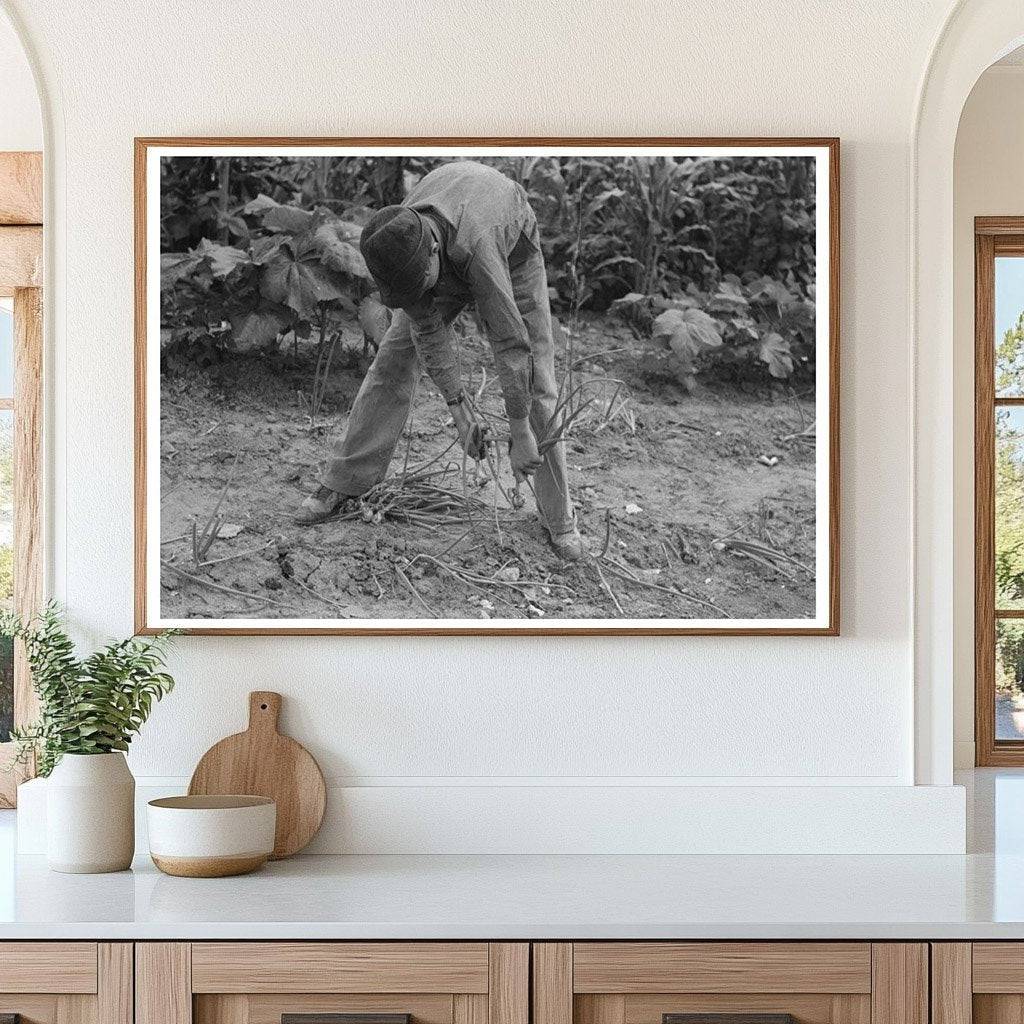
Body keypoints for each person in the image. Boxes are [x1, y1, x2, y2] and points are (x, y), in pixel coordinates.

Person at [295, 160, 583, 561]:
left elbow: (509, 341)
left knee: (537, 380)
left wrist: (519, 431)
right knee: (393, 358)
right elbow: (426, 326)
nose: (417, 302)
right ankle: (344, 479)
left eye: (419, 289)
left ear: (432, 252)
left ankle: (559, 519)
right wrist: (459, 410)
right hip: (442, 244)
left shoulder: (480, 245)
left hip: (507, 244)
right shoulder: (397, 236)